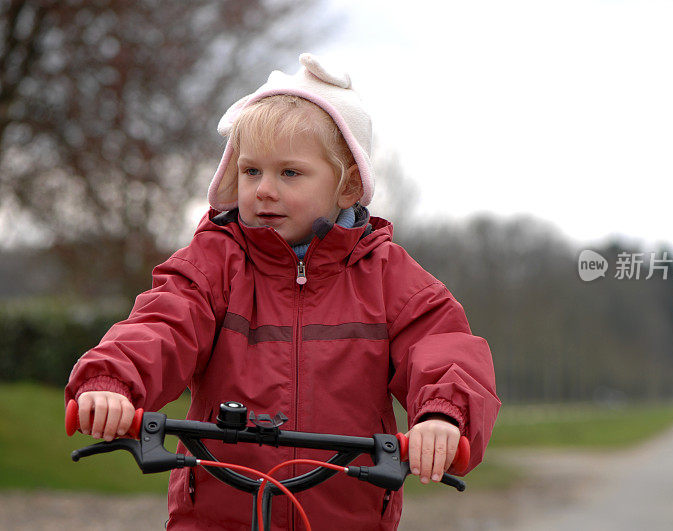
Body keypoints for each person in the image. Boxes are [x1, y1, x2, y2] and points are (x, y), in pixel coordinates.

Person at [65, 53, 500, 530]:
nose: (264, 190)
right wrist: (110, 382)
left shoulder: (385, 274)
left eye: (289, 173)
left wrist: (442, 416)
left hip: (346, 515)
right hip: (218, 513)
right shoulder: (215, 261)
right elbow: (161, 324)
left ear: (348, 184)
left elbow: (442, 344)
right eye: (251, 172)